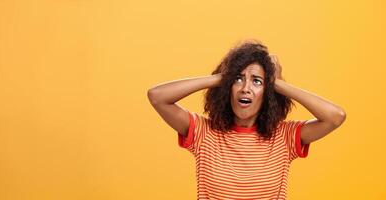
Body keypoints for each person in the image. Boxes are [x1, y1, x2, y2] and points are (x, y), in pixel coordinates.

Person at [147, 40, 346, 199]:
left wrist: (276, 84)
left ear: (267, 92)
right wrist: (220, 78)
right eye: (238, 79)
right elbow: (157, 96)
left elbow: (335, 117)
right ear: (227, 89)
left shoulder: (284, 137)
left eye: (257, 81)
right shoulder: (203, 132)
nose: (245, 88)